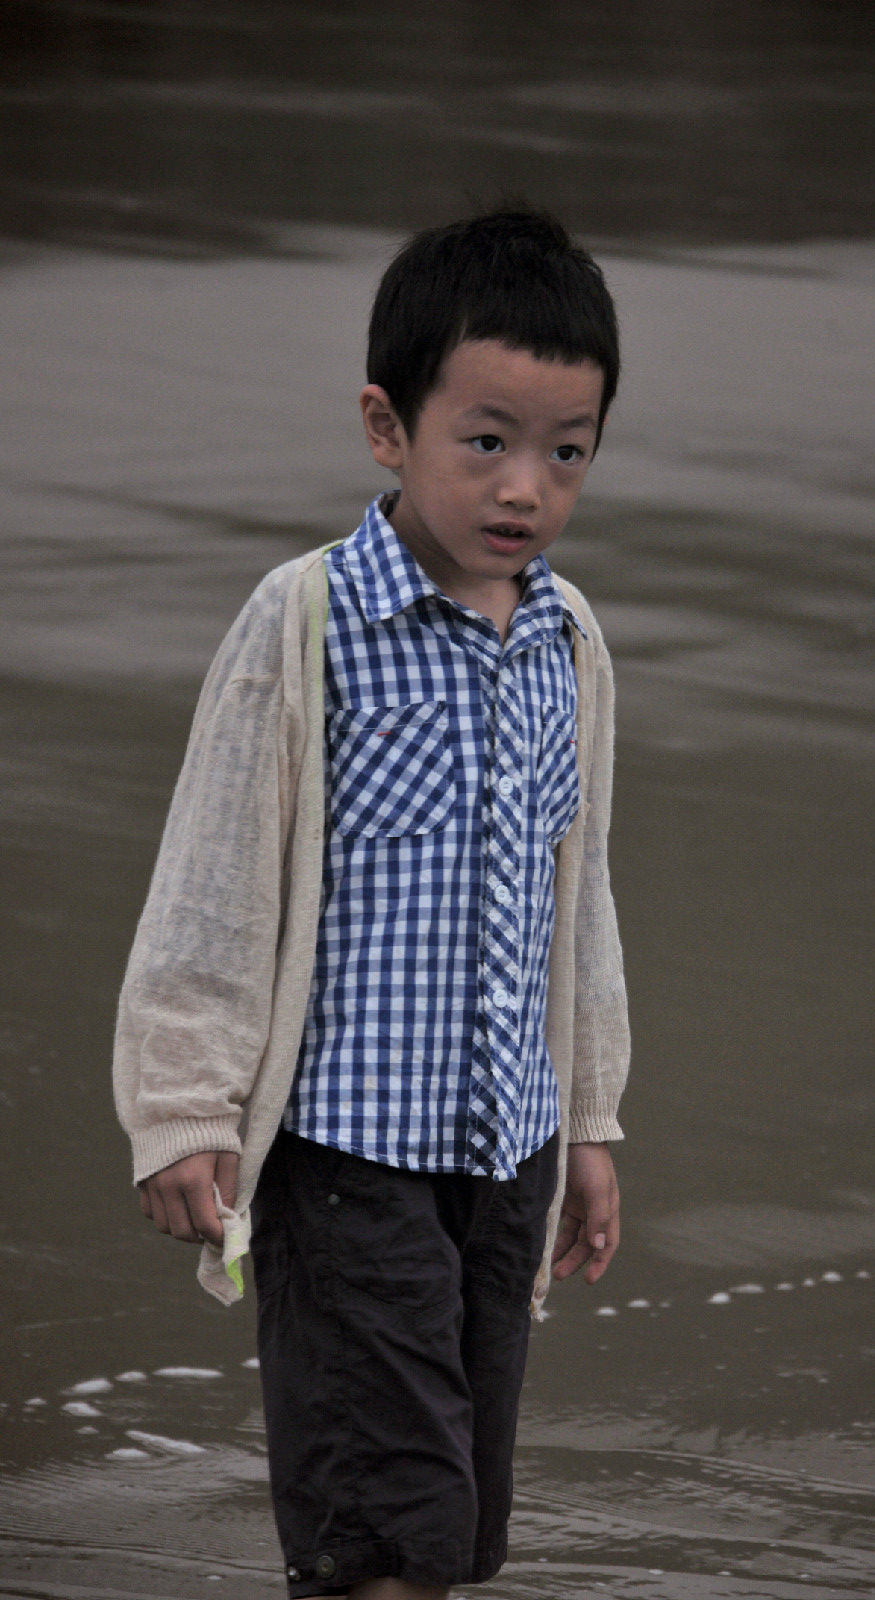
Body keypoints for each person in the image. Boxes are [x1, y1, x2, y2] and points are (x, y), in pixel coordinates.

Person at [114, 207, 630, 1600]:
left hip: (504, 1154)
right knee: (384, 1533)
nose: (524, 487)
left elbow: (577, 898)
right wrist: (183, 1107)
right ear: (387, 427)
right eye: (486, 440)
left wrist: (588, 1118)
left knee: (449, 1526)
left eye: (566, 452)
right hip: (346, 1156)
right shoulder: (307, 623)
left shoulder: (569, 643)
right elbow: (211, 881)